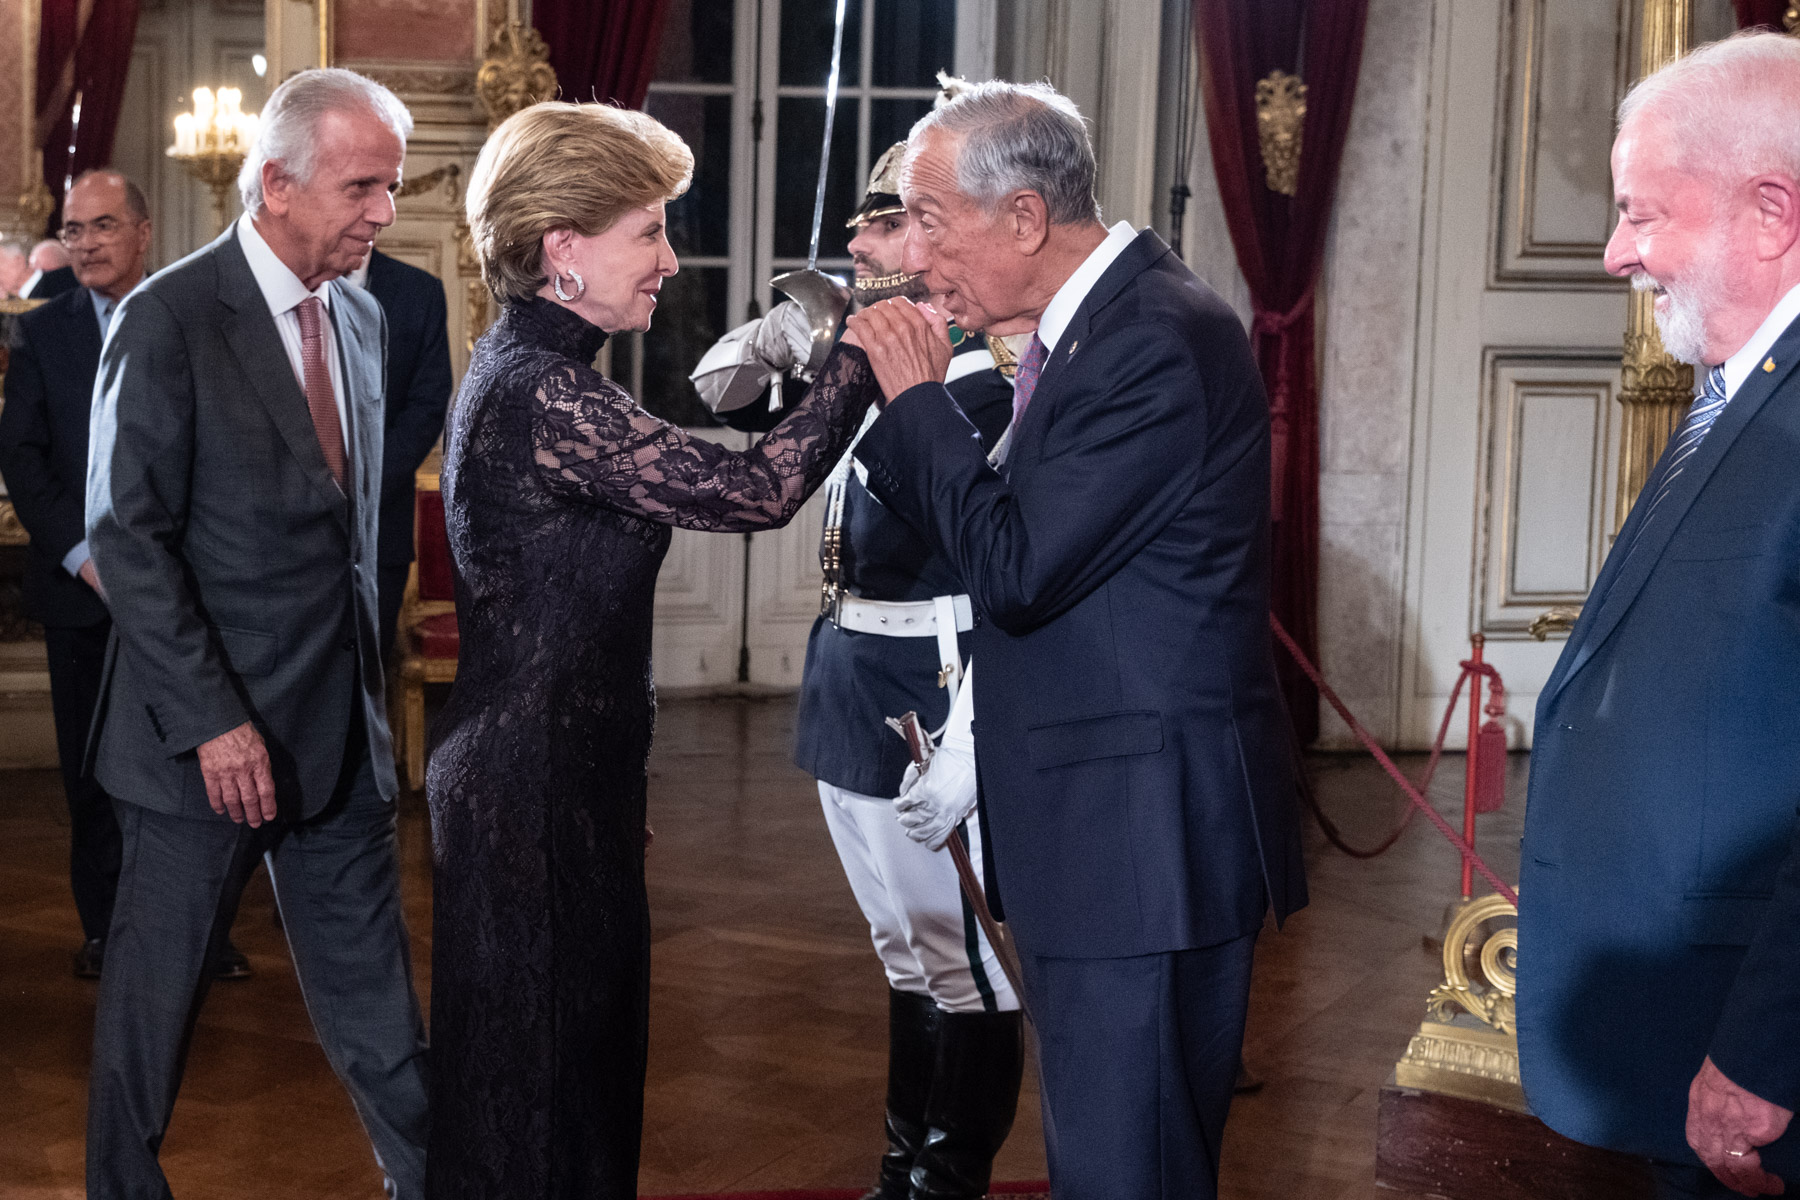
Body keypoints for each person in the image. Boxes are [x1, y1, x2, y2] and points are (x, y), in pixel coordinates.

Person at [844, 81, 1308, 1200]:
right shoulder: (1101, 325)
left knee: (1126, 1171)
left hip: (1138, 846)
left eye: (930, 223)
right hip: (1110, 838)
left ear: (1023, 218)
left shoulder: (1148, 341)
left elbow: (1015, 570)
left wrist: (915, 401)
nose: (917, 260)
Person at [428, 100, 881, 1199]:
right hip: (528, 782)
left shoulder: (546, 374)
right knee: (540, 1100)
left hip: (560, 775)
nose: (671, 261)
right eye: (650, 232)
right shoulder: (544, 392)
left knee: (573, 1084)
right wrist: (866, 354)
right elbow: (756, 491)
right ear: (564, 249)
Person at [82, 69, 429, 1198]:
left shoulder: (366, 318)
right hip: (200, 748)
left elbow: (353, 541)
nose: (385, 212)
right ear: (276, 183)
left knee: (382, 1014)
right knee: (152, 1017)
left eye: (391, 186)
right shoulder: (168, 318)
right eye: (362, 186)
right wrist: (214, 723)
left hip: (338, 736)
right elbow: (128, 542)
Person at [695, 140, 1024, 1200]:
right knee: (904, 949)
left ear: (934, 242)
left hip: (933, 682)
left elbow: (997, 570)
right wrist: (778, 339)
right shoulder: (863, 365)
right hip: (852, 670)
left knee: (965, 963)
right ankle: (899, 1172)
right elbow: (724, 397)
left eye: (887, 226)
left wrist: (974, 734)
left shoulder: (986, 388)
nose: (862, 247)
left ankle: (946, 1183)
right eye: (863, 228)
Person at [1517, 32, 1800, 1199]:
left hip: (1746, 1051)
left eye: (1642, 214)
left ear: (1772, 214)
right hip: (1671, 1021)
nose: (1614, 253)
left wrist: (1768, 1049)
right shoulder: (1739, 388)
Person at [347, 246, 453, 662]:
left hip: (381, 532)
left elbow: (427, 406)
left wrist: (363, 485)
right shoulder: (293, 284)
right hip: (288, 539)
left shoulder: (419, 291)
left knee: (371, 673)